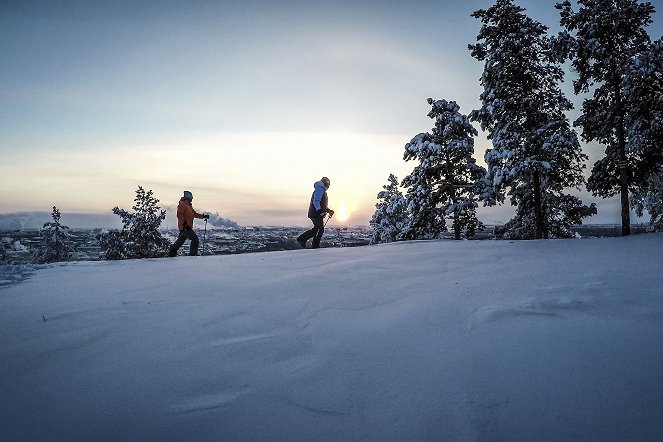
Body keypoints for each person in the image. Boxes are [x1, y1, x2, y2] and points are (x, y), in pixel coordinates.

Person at [297, 177, 334, 249]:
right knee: (319, 229)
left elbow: (323, 205)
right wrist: (319, 211)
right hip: (315, 213)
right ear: (326, 183)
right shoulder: (320, 189)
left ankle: (313, 244)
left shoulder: (322, 190)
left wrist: (329, 211)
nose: (328, 186)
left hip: (316, 213)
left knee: (319, 229)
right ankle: (303, 240)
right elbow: (316, 201)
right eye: (328, 184)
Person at [168, 191, 209, 257]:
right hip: (185, 227)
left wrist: (203, 216)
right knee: (195, 239)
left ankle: (172, 251)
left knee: (179, 242)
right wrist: (185, 224)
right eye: (191, 197)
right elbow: (179, 215)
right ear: (188, 197)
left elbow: (194, 214)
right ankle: (193, 255)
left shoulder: (188, 206)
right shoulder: (183, 204)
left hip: (185, 227)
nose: (192, 199)